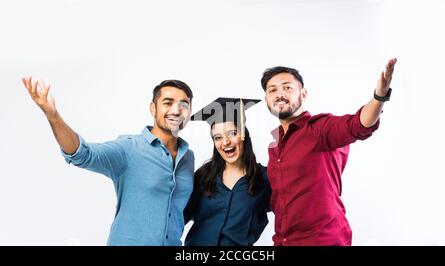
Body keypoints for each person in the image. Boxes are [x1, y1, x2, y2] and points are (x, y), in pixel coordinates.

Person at [21, 77, 195, 245]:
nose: (176, 110)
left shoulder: (187, 157)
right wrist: (53, 115)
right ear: (153, 108)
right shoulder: (129, 149)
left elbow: (181, 212)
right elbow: (82, 154)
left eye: (183, 105)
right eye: (168, 103)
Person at [261, 58, 398, 246]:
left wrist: (379, 97)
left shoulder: (319, 129)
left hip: (322, 240)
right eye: (272, 90)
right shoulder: (275, 146)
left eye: (287, 87)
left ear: (303, 93)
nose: (279, 94)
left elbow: (357, 125)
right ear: (267, 100)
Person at [184, 97, 271, 246]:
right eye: (217, 137)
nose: (225, 142)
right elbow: (180, 217)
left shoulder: (265, 178)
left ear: (243, 135)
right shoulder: (204, 175)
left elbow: (289, 213)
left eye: (232, 133)